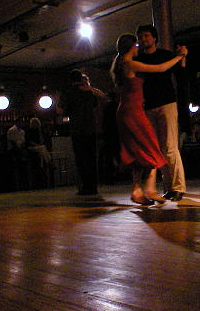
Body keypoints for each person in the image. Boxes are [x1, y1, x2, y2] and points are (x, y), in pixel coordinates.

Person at [111, 34, 187, 205]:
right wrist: (179, 56)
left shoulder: (119, 66)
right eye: (136, 45)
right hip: (134, 112)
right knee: (152, 150)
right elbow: (160, 68)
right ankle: (150, 190)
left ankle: (137, 190)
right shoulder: (130, 64)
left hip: (126, 111)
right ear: (131, 47)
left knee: (138, 152)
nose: (138, 47)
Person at [135, 24, 186, 201]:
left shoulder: (165, 55)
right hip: (149, 106)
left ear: (154, 38)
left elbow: (180, 72)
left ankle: (178, 187)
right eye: (141, 37)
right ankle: (169, 187)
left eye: (146, 36)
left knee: (170, 147)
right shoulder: (139, 58)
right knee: (158, 149)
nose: (143, 39)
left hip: (167, 103)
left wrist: (182, 57)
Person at [60, 70, 107, 195]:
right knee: (91, 158)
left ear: (70, 80)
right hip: (90, 128)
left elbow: (62, 110)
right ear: (80, 78)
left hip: (77, 129)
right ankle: (93, 186)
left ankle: (85, 186)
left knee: (81, 159)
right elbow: (96, 104)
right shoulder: (88, 91)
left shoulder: (68, 92)